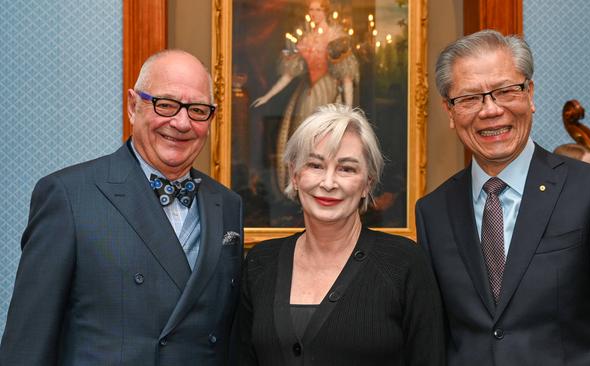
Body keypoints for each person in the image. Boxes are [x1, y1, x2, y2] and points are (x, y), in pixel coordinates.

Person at [416, 29, 590, 365]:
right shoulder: (432, 211)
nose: (490, 110)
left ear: (530, 93)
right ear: (449, 112)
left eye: (505, 91)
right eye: (469, 98)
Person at [0, 50, 243, 365]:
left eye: (197, 110)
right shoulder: (69, 195)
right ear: (132, 106)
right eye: (166, 105)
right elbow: (27, 344)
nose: (182, 123)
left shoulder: (227, 204)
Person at [239, 104, 444, 365]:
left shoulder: (404, 264)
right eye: (315, 165)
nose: (328, 183)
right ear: (294, 174)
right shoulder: (260, 263)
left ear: (367, 183)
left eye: (346, 169)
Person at [251, 0, 359, 189]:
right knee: (303, 141)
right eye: (311, 9)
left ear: (325, 11)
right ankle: (304, 187)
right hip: (308, 94)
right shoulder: (305, 39)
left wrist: (348, 112)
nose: (314, 13)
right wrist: (268, 96)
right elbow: (288, 76)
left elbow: (347, 79)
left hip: (329, 92)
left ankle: (327, 186)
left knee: (328, 141)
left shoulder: (336, 37)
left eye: (318, 9)